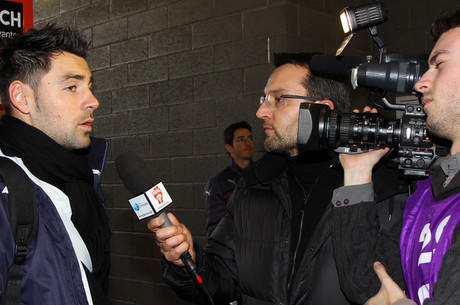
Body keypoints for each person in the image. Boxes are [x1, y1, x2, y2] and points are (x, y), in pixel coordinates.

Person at [147, 53, 406, 305]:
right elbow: (219, 285)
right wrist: (188, 261)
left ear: (323, 110)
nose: (261, 111)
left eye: (279, 99)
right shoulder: (253, 187)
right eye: (264, 98)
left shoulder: (384, 192)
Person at [334, 10, 460, 305]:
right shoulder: (427, 194)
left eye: (439, 65)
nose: (420, 83)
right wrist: (357, 173)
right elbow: (365, 286)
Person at [0, 23, 111, 304]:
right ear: (22, 97)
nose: (93, 101)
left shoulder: (83, 179)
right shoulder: (6, 194)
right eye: (72, 87)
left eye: (90, 86)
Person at [204, 121, 254, 236]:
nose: (248, 143)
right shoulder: (218, 183)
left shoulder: (265, 176)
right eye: (241, 139)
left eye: (250, 138)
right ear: (229, 148)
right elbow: (216, 230)